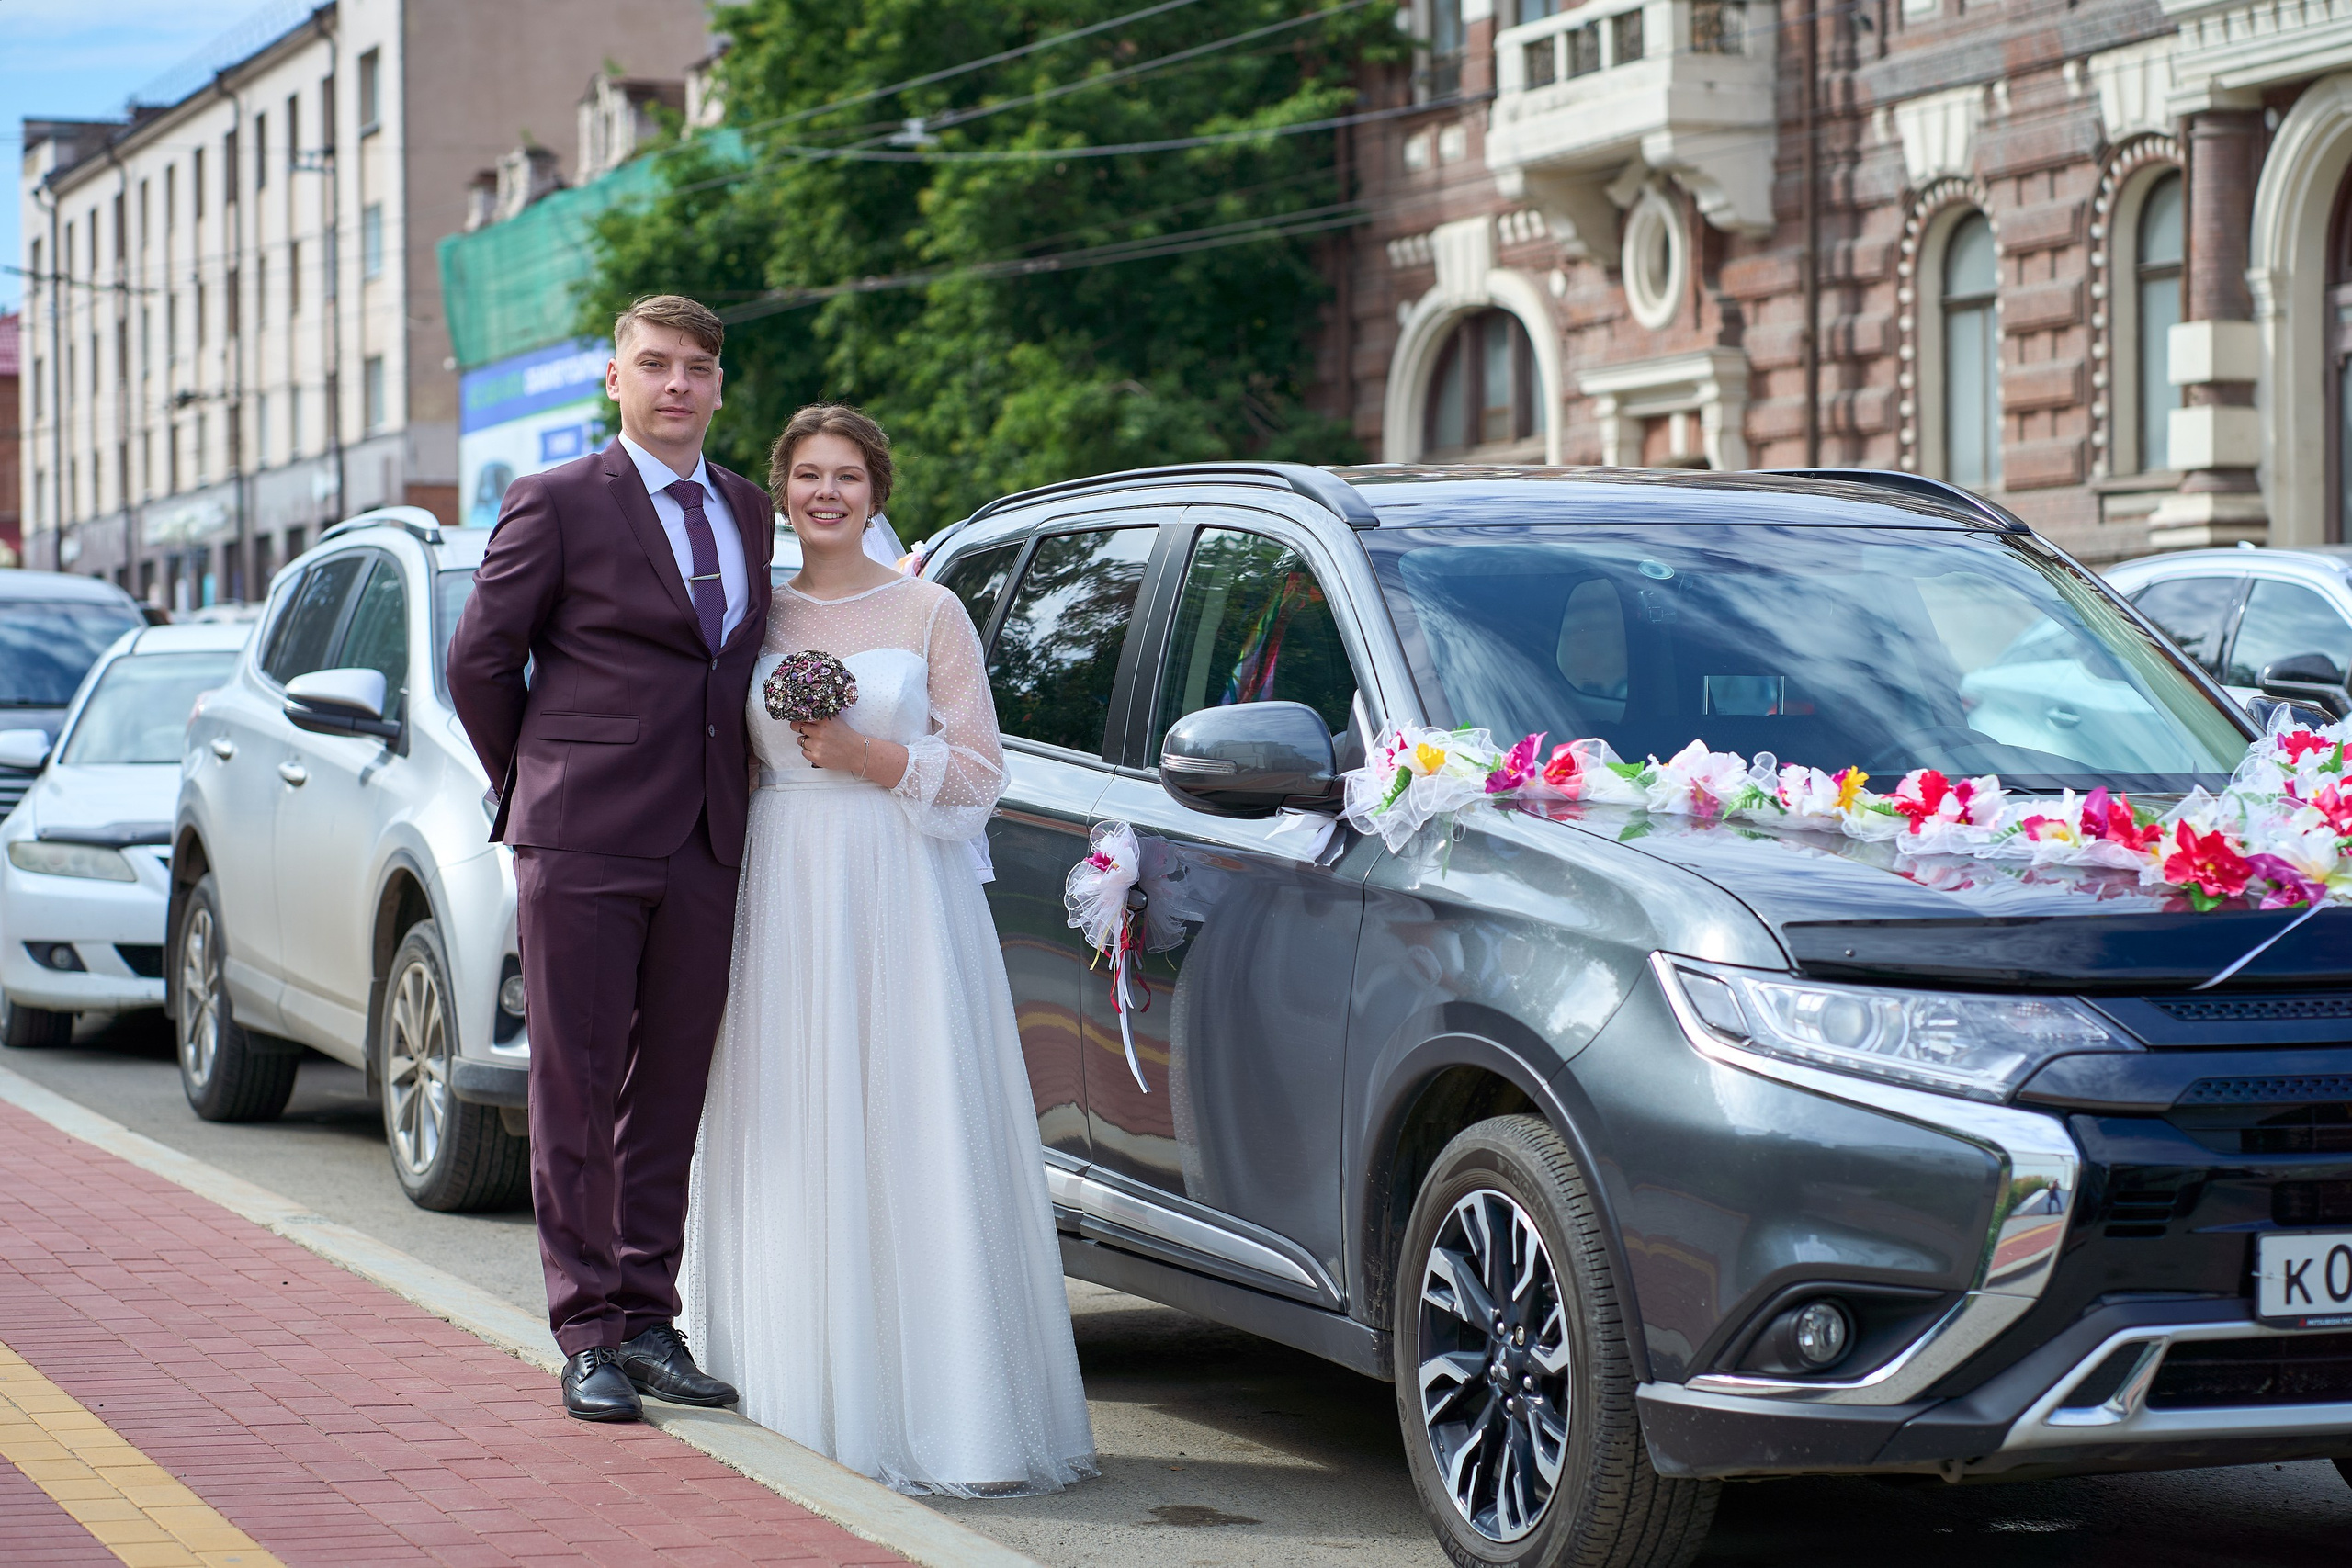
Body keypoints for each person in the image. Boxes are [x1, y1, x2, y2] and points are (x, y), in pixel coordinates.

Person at [679, 404, 1096, 1496]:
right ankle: (797, 1389)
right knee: (794, 1119)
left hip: (902, 887)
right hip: (785, 882)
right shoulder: (748, 615)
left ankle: (945, 1412)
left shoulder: (929, 611)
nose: (828, 492)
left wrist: (870, 756)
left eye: (848, 476)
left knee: (909, 1117)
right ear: (780, 490)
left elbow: (978, 774)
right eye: (808, 474)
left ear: (875, 489)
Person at [447, 294, 769, 1422]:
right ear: (615, 381)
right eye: (654, 364)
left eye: (696, 367)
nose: (677, 384)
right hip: (579, 834)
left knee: (669, 1090)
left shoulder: (750, 509)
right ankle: (584, 1332)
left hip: (707, 838)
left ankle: (646, 1316)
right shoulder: (556, 501)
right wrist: (536, 781)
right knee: (575, 1086)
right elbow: (479, 665)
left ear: (720, 387)